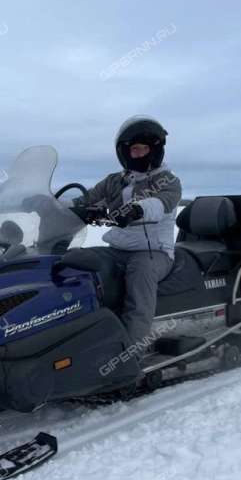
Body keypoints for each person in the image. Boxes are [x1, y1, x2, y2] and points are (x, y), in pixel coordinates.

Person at [71, 115, 182, 352]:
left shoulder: (167, 181)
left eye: (142, 149)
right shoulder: (115, 181)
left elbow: (161, 204)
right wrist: (60, 205)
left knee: (139, 277)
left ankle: (131, 353)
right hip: (117, 248)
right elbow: (88, 197)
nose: (137, 154)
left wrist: (136, 210)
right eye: (134, 149)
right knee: (80, 263)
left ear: (155, 150)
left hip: (154, 253)